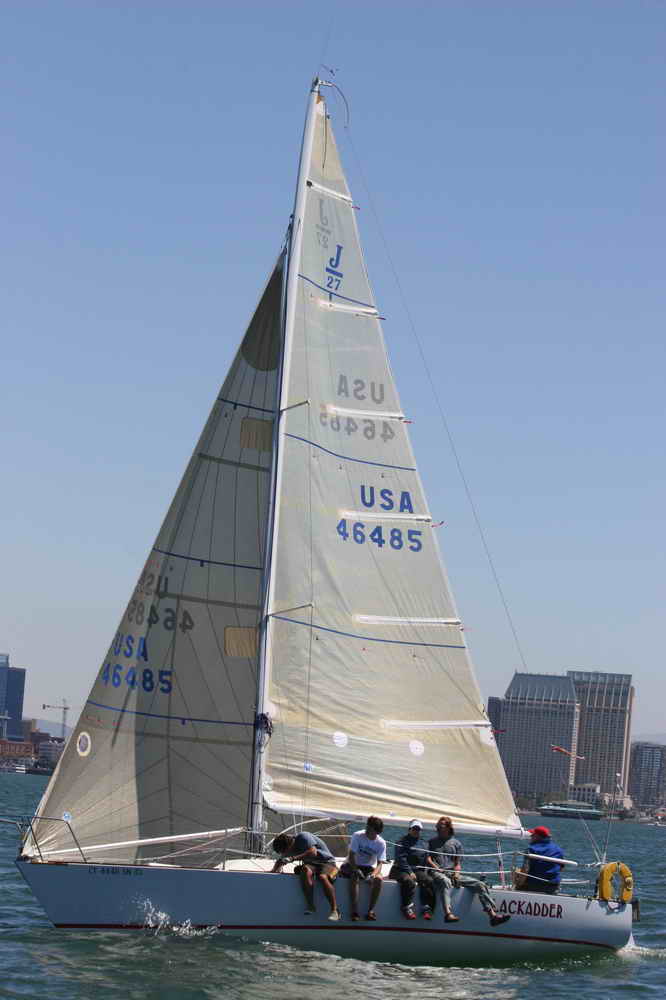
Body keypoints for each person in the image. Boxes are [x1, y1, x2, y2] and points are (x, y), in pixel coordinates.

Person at [428, 816, 510, 927]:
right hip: (436, 872)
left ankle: (492, 916)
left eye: (443, 825)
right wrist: (436, 868)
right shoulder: (431, 842)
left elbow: (457, 863)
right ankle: (448, 913)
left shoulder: (456, 843)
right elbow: (428, 858)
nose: (440, 827)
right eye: (439, 825)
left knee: (480, 884)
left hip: (452, 873)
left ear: (448, 827)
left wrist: (456, 874)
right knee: (445, 881)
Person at [271, 830, 340, 920]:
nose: (284, 854)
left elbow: (313, 852)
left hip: (329, 863)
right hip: (313, 865)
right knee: (305, 870)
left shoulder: (303, 836)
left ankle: (335, 910)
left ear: (289, 845)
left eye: (284, 851)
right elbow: (280, 860)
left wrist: (292, 858)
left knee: (322, 877)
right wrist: (273, 871)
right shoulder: (288, 849)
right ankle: (311, 906)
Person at [389, 819, 439, 920]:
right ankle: (406, 907)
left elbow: (426, 858)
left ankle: (427, 909)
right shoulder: (401, 841)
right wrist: (410, 872)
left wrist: (436, 868)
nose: (416, 831)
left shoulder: (424, 843)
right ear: (409, 829)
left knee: (428, 880)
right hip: (400, 869)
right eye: (414, 828)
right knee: (409, 881)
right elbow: (401, 858)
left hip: (417, 870)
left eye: (418, 829)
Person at [342, 815, 387, 921]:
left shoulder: (381, 843)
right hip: (351, 864)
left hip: (367, 867)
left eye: (370, 828)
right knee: (355, 876)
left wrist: (373, 874)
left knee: (379, 879)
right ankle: (354, 911)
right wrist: (355, 869)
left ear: (376, 831)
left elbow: (380, 863)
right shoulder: (357, 835)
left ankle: (370, 910)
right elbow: (351, 855)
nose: (367, 829)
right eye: (367, 826)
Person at [518, 826, 565, 894]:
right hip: (553, 887)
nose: (531, 837)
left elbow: (525, 869)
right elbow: (561, 868)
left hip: (533, 886)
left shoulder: (531, 849)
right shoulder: (558, 849)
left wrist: (518, 884)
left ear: (537, 837)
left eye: (532, 835)